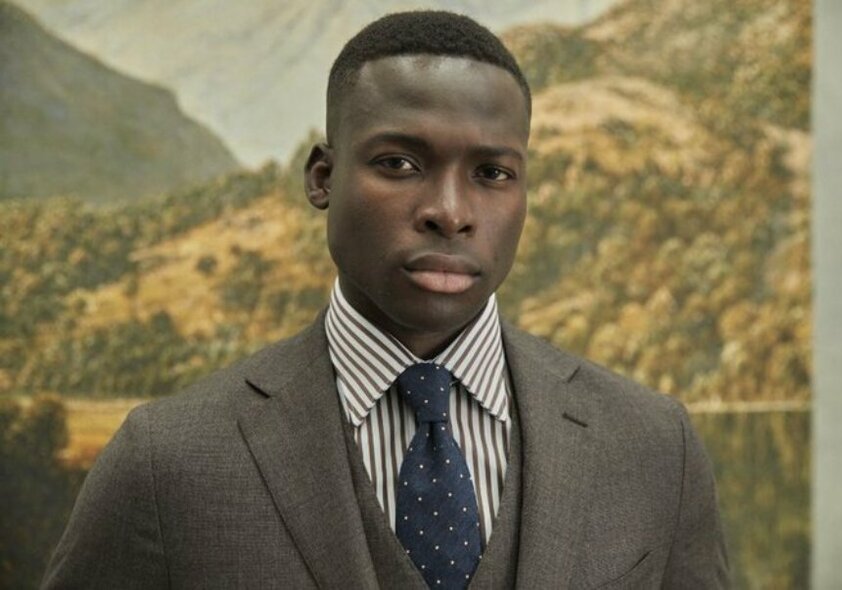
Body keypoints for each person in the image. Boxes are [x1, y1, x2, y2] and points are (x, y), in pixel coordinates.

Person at [43, 10, 729, 589]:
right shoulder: (166, 462)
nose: (450, 212)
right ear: (322, 177)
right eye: (400, 164)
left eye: (492, 173)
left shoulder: (652, 447)